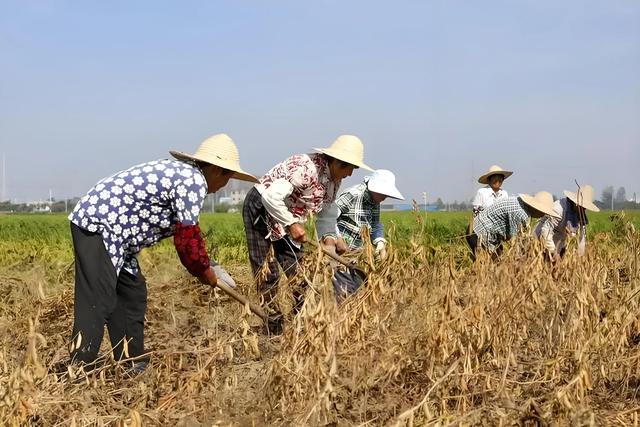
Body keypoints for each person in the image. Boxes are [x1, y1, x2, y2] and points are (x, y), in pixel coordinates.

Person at [67, 134, 257, 372]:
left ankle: (132, 363)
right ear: (217, 171)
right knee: (97, 300)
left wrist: (208, 264)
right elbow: (186, 237)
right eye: (227, 178)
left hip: (121, 239)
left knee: (132, 294)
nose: (222, 188)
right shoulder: (193, 181)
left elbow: (190, 234)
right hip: (100, 226)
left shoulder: (186, 176)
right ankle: (78, 370)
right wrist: (204, 270)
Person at [242, 135, 372, 319]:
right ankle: (272, 322)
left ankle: (301, 322)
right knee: (268, 271)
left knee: (300, 273)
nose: (350, 174)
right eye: (350, 169)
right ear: (338, 162)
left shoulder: (334, 180)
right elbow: (270, 197)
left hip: (287, 214)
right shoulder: (305, 169)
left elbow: (326, 211)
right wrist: (292, 224)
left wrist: (332, 238)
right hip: (261, 207)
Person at [332, 169, 404, 297]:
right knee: (346, 294)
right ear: (375, 188)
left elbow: (375, 224)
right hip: (338, 254)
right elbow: (329, 217)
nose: (385, 197)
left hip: (356, 257)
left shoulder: (375, 202)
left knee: (359, 291)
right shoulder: (353, 194)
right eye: (384, 193)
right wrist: (338, 238)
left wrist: (380, 242)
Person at [466, 191, 560, 259]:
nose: (543, 215)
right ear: (537, 209)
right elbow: (513, 240)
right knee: (486, 266)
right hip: (478, 233)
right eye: (543, 212)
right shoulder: (521, 214)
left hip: (483, 232)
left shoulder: (520, 203)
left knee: (495, 259)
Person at [533, 185, 600, 260]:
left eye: (585, 207)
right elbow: (546, 230)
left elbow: (582, 237)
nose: (583, 209)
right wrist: (554, 252)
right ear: (576, 203)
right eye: (582, 206)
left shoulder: (580, 214)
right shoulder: (558, 209)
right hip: (541, 241)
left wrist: (581, 257)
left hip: (559, 243)